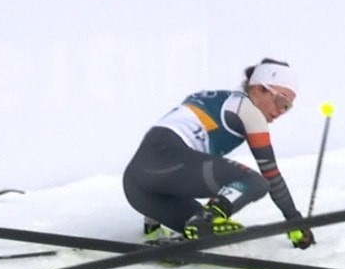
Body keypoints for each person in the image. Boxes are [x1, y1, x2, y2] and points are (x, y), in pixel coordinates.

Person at [122, 58, 316, 249]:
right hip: (163, 162)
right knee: (256, 182)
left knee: (203, 234)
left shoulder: (215, 98)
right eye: (281, 100)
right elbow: (271, 176)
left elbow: (160, 154)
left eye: (288, 106)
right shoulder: (247, 110)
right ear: (259, 88)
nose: (282, 110)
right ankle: (209, 217)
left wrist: (153, 222)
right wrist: (294, 221)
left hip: (137, 188)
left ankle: (177, 234)